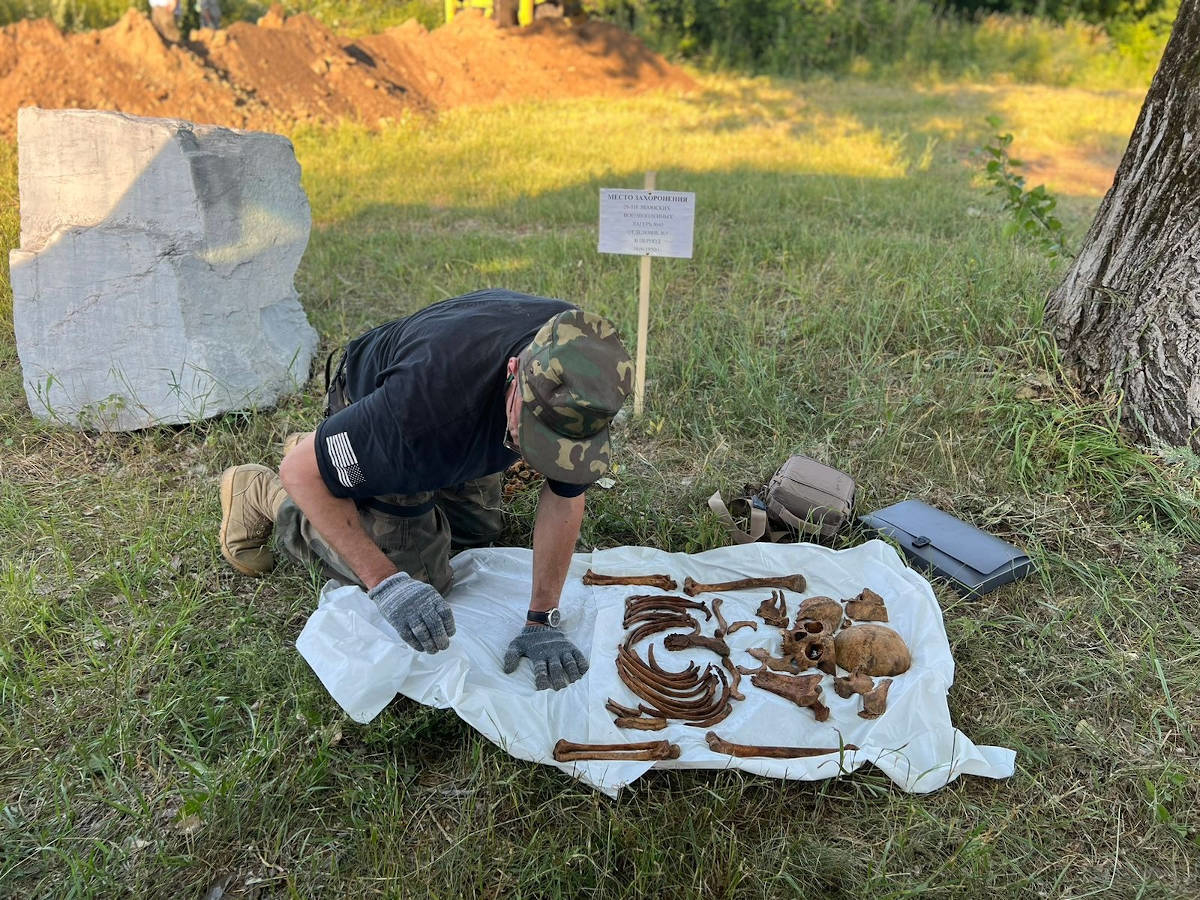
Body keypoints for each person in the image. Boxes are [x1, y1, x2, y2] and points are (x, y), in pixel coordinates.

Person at [218, 290, 633, 692]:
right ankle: (265, 492)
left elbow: (565, 495)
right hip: (384, 411)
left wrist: (542, 619)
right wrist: (387, 583)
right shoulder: (418, 411)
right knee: (422, 576)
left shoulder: (579, 367)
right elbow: (299, 471)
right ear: (513, 373)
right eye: (534, 435)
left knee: (477, 531)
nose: (538, 452)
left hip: (449, 419)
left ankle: (336, 450)